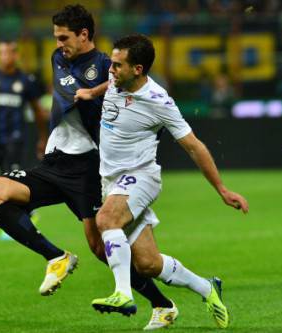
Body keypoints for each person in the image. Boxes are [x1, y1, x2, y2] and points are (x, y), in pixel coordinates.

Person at [0, 5, 177, 330]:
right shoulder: (59, 58)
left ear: (85, 35)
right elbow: (69, 93)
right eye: (56, 37)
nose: (58, 44)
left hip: (88, 168)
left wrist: (96, 92)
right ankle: (56, 257)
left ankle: (162, 304)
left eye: (64, 37)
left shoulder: (107, 67)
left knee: (101, 249)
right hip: (55, 162)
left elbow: (127, 89)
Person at [90, 34, 249, 329]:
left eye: (117, 65)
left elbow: (194, 146)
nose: (110, 70)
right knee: (148, 264)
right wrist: (91, 93)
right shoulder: (116, 81)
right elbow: (108, 84)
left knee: (106, 220)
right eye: (111, 64)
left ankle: (123, 294)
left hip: (141, 178)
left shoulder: (158, 100)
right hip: (111, 181)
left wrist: (222, 189)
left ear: (138, 69)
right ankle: (207, 288)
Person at [0, 40, 48, 178]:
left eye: (9, 52)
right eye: (2, 53)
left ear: (16, 55)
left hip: (16, 134)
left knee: (14, 173)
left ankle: (14, 199)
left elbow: (37, 110)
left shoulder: (26, 80)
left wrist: (42, 137)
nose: (5, 56)